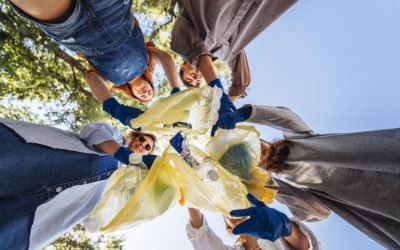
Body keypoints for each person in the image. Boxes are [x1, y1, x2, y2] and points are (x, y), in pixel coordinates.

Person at [212, 104, 400, 249]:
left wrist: (246, 113)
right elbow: (319, 211)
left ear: (263, 140)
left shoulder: (300, 140)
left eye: (256, 146)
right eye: (252, 159)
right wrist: (263, 183)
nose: (258, 153)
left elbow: (285, 117)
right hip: (381, 209)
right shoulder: (289, 188)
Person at [8, 0, 180, 123]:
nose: (146, 94)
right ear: (151, 82)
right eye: (150, 92)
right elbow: (165, 58)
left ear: (132, 95)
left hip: (77, 32)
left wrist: (113, 106)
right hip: (114, 11)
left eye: (142, 97)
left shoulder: (111, 82)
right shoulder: (148, 59)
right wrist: (176, 89)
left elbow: (92, 79)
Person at [0, 118, 157, 249]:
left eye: (147, 147)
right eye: (142, 139)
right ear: (135, 137)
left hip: (32, 217)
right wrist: (123, 154)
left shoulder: (121, 187)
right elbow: (93, 132)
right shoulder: (115, 138)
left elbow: (94, 223)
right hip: (28, 159)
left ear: (148, 155)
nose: (142, 144)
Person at [171, 0, 297, 100]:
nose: (195, 78)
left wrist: (215, 86)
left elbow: (197, 51)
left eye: (189, 79)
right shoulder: (226, 53)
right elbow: (241, 82)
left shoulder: (178, 43)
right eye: (198, 81)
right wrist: (222, 109)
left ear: (182, 67)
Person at [186, 194, 320, 250]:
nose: (233, 213)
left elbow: (305, 245)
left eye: (238, 206)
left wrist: (285, 227)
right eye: (228, 212)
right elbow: (200, 234)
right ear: (228, 225)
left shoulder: (273, 231)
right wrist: (190, 194)